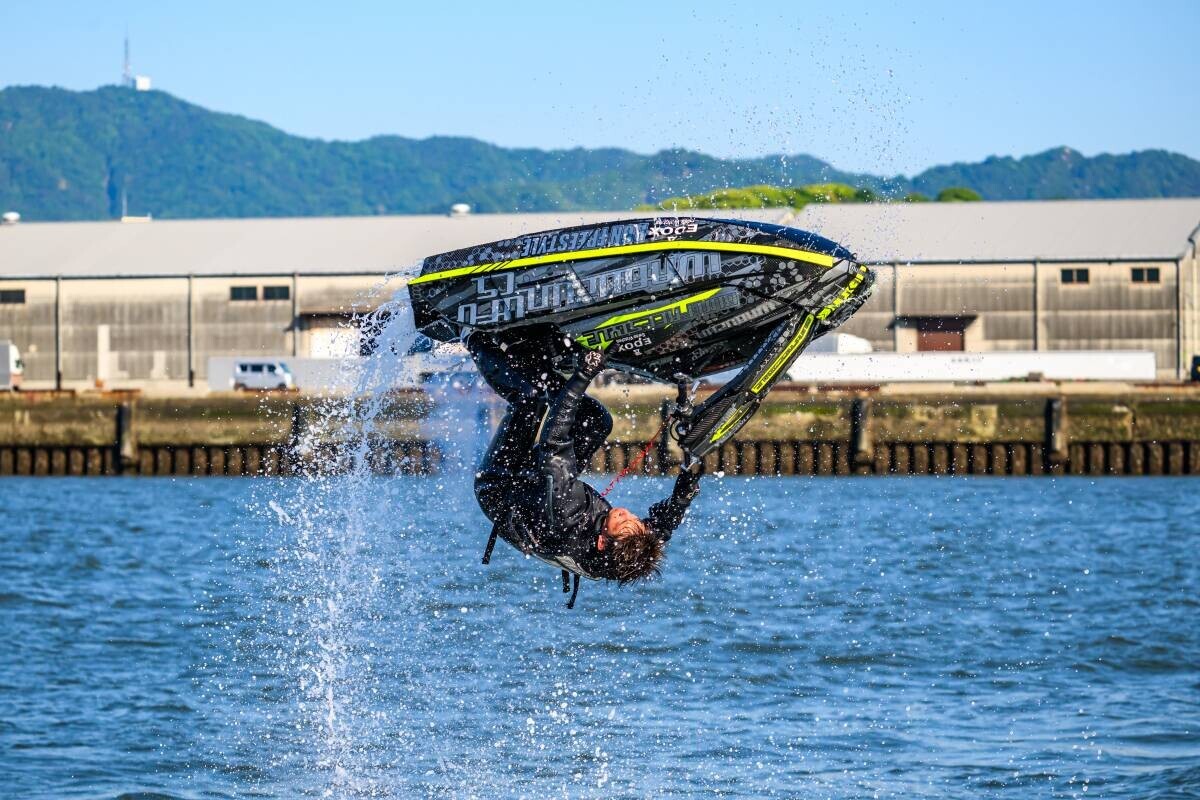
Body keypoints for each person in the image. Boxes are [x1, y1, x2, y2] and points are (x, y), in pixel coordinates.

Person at [467, 329, 703, 608]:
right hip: (539, 490)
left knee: (529, 400)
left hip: (503, 486)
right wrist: (687, 487)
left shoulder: (571, 515)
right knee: (595, 420)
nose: (627, 514)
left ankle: (474, 339)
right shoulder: (631, 546)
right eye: (636, 521)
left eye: (622, 523)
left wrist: (584, 374)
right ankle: (534, 361)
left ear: (603, 543)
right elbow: (665, 524)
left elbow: (554, 442)